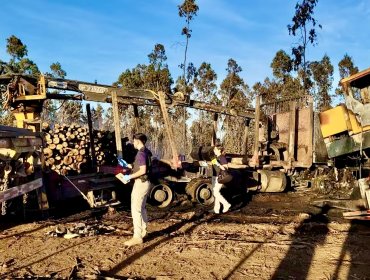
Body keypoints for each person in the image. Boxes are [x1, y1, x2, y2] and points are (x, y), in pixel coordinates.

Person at [121, 133, 152, 247]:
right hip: (145, 183)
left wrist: (129, 177)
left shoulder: (141, 153)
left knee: (135, 209)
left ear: (138, 141)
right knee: (142, 208)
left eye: (134, 141)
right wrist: (130, 166)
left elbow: (143, 170)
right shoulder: (146, 152)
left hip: (141, 183)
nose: (133, 143)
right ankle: (143, 232)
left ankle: (137, 237)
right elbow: (141, 166)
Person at [211, 142, 231, 214]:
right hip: (214, 176)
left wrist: (218, 164)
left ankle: (226, 204)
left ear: (219, 150)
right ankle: (216, 210)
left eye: (215, 150)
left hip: (220, 177)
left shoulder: (222, 157)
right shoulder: (215, 157)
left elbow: (226, 168)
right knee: (215, 193)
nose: (214, 151)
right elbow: (214, 165)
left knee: (215, 192)